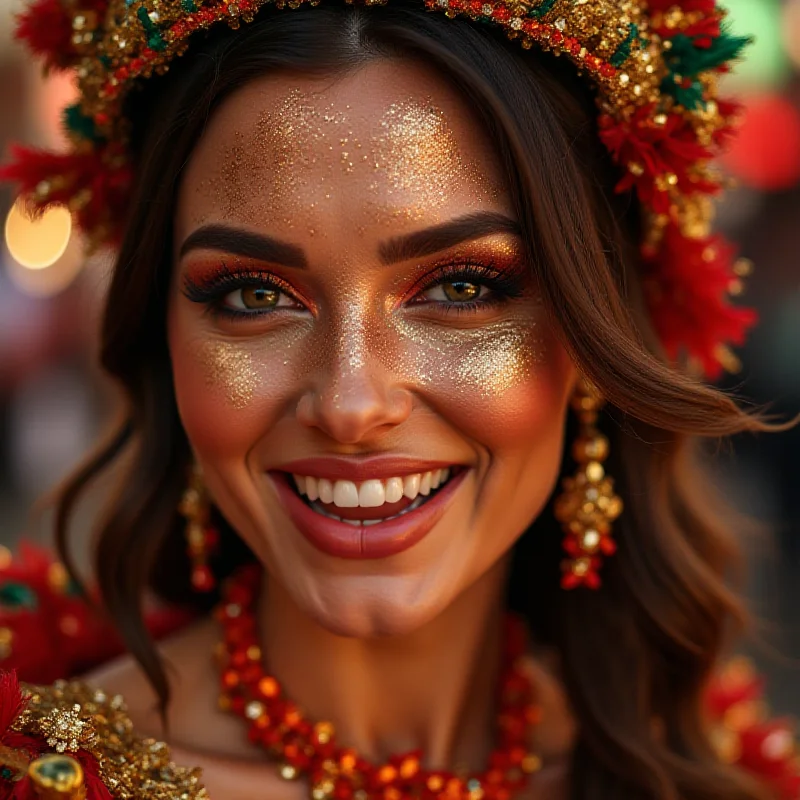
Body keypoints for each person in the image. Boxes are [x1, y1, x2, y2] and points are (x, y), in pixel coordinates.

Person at [0, 0, 797, 798]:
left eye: (459, 287)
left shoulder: (705, 776)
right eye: (252, 297)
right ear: (162, 338)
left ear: (594, 337)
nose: (351, 403)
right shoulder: (39, 778)